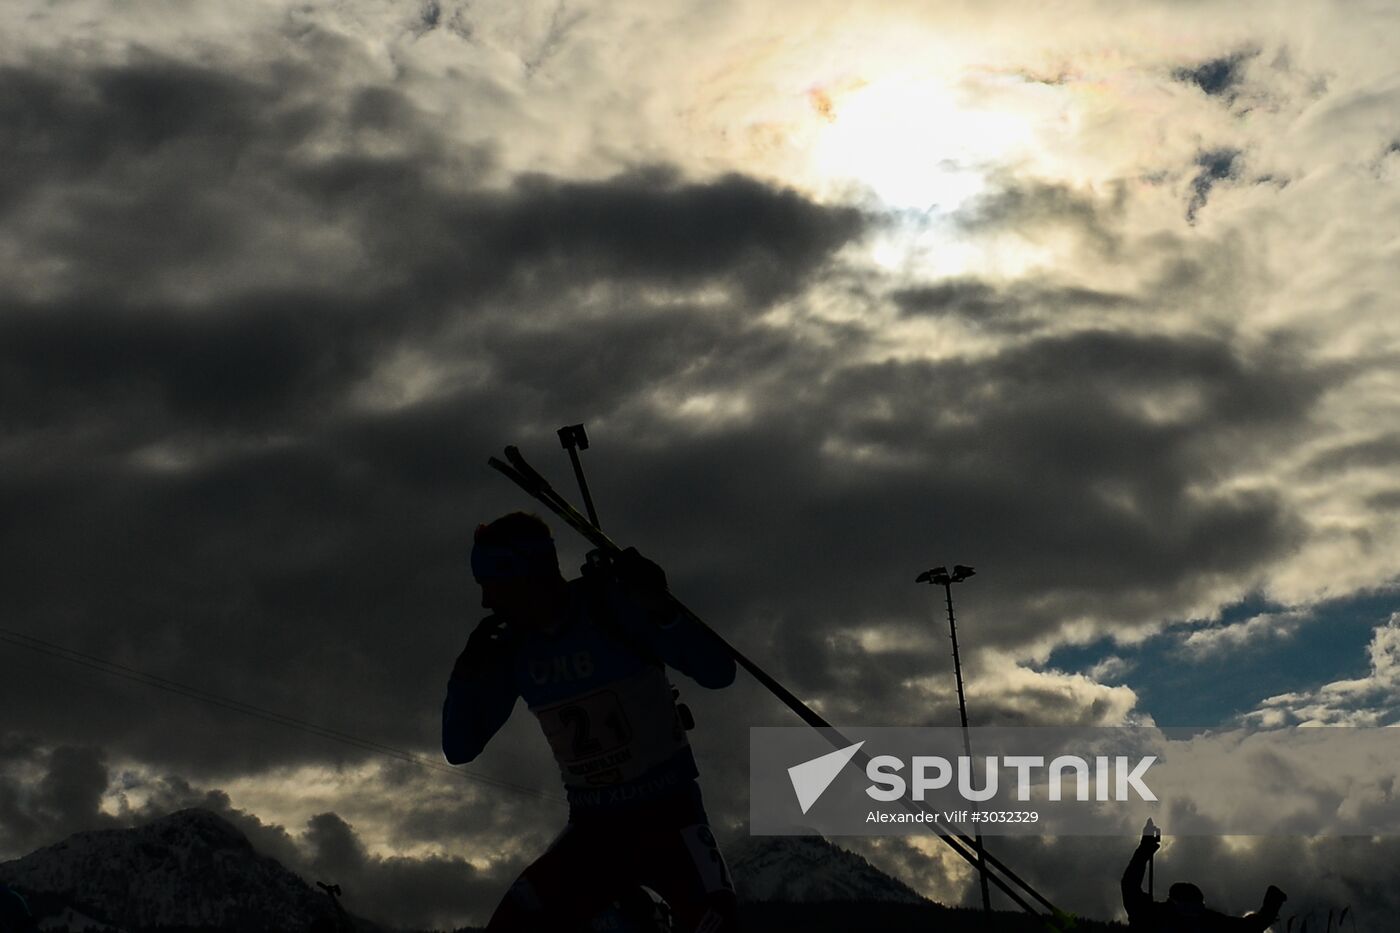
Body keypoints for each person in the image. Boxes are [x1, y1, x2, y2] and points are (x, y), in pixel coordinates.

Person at [443, 512, 738, 933]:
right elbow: (459, 748)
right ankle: (632, 912)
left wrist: (662, 608)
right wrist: (466, 677)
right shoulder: (510, 648)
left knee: (717, 923)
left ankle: (640, 914)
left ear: (524, 573)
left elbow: (718, 672)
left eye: (489, 581)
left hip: (671, 821)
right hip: (595, 832)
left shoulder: (611, 606)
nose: (486, 600)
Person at [1121, 821, 1287, 931]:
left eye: (1195, 908)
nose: (1191, 914)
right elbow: (1250, 927)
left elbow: (1129, 885)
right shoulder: (1207, 921)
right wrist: (1271, 907)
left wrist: (1144, 850)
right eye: (1189, 908)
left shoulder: (1152, 915)